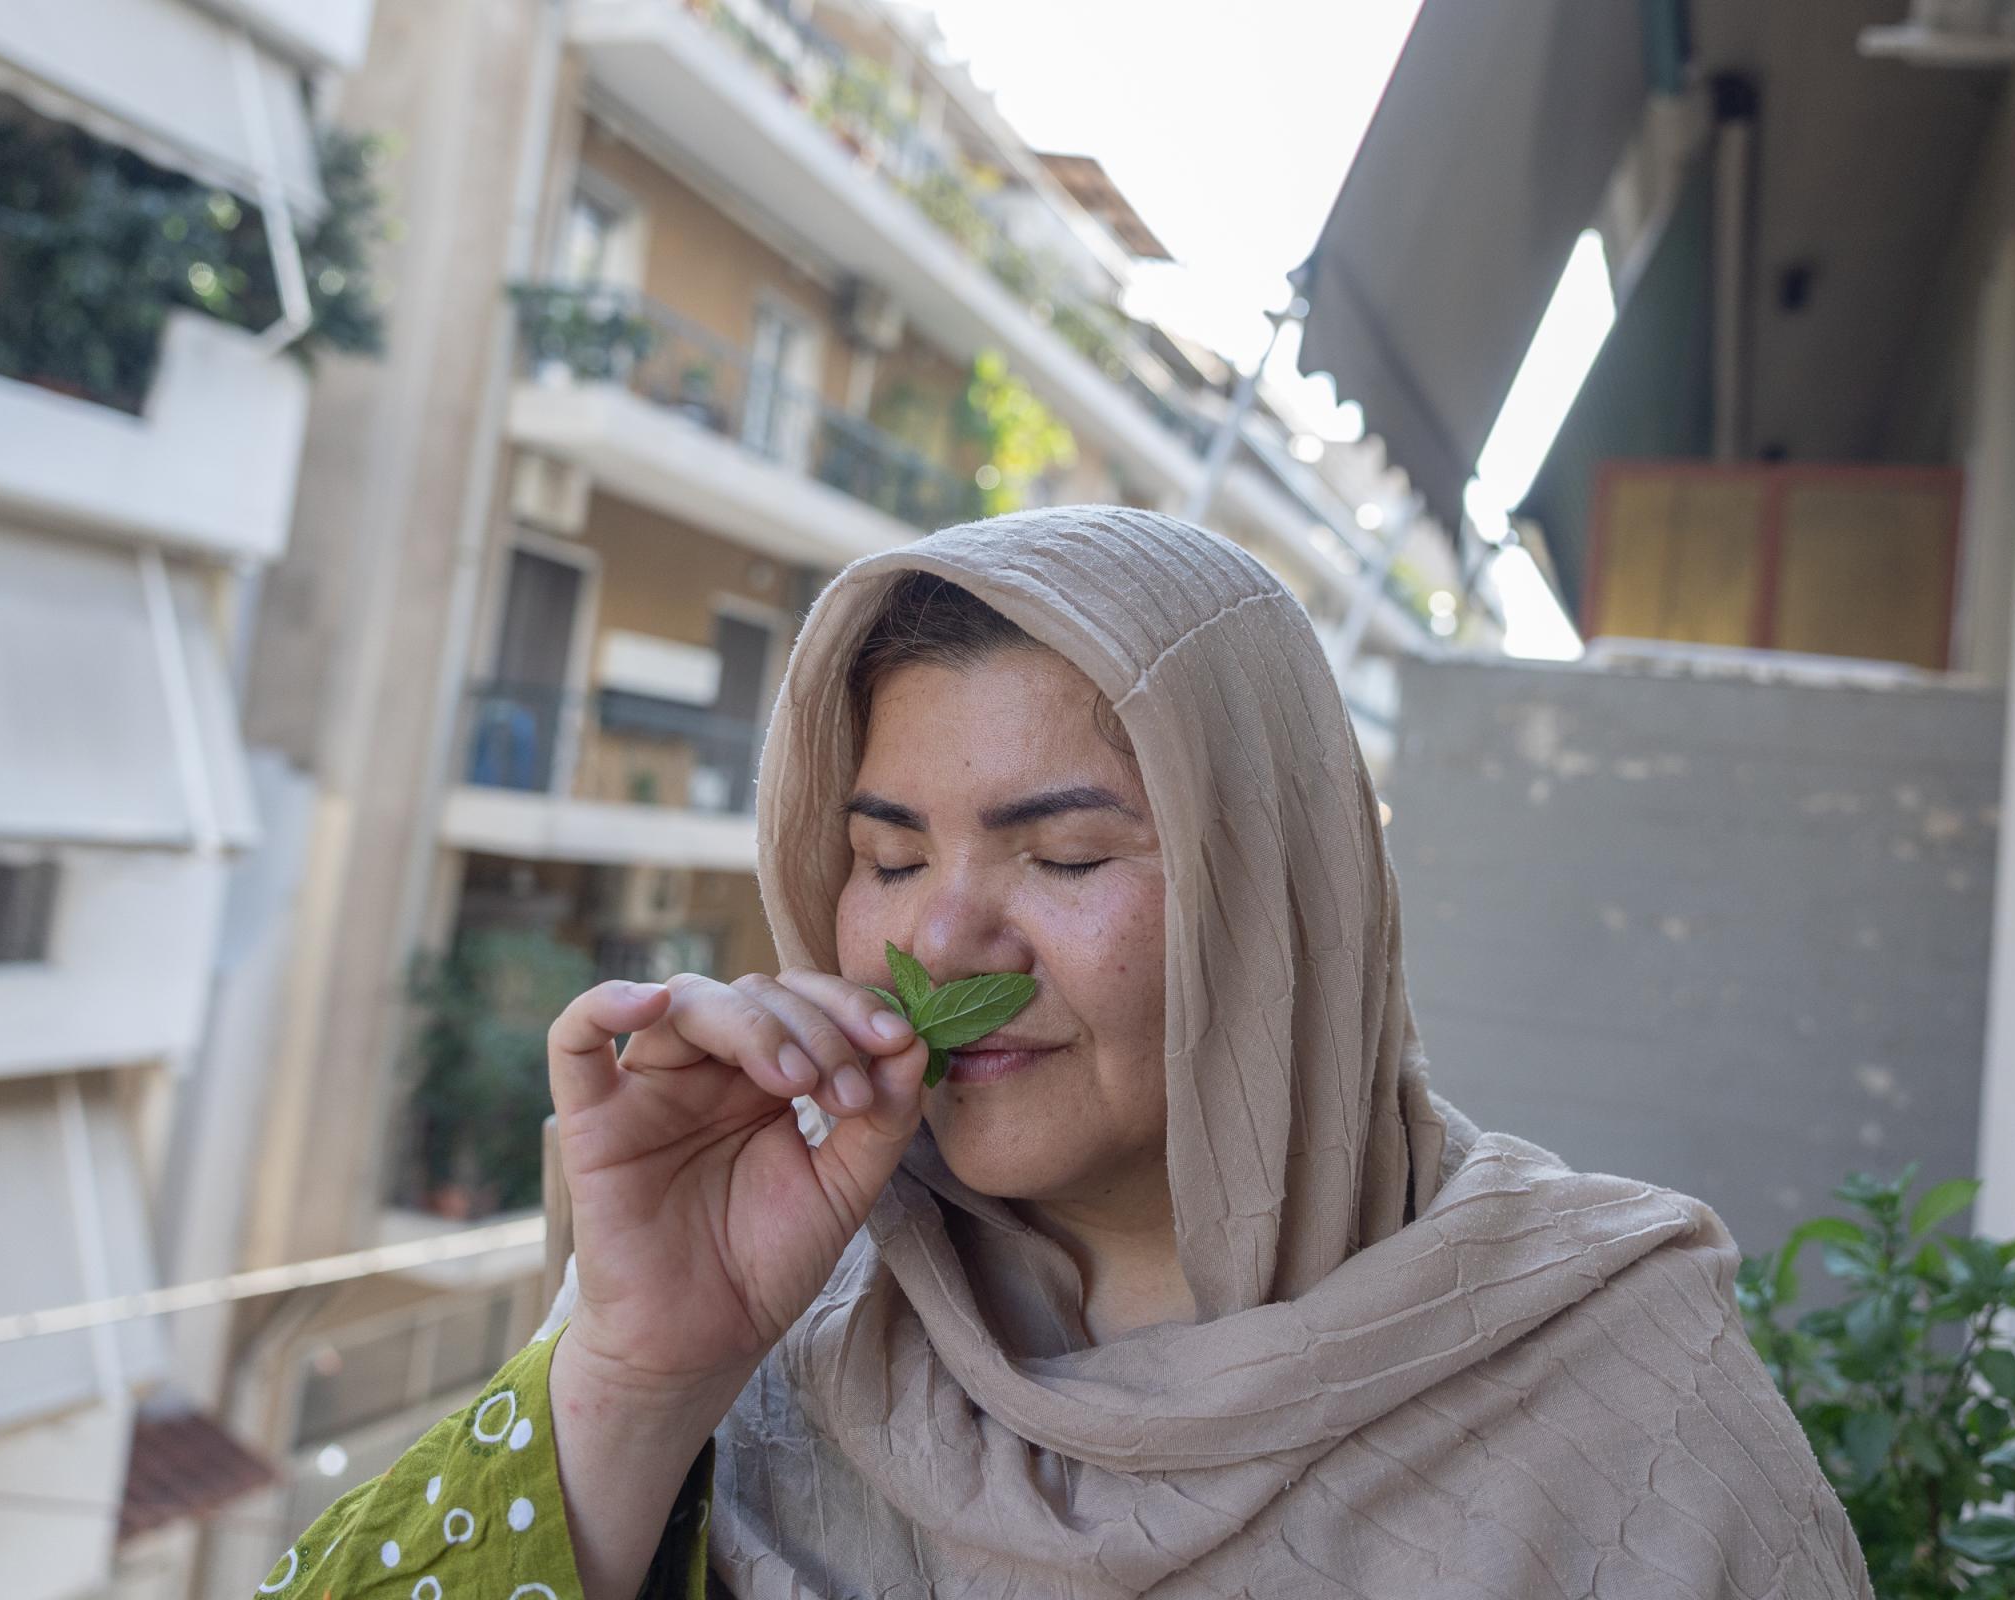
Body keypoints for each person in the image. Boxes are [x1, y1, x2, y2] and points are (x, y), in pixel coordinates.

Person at [265, 507, 1872, 1599]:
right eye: (888, 860)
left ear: (1276, 902)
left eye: (1066, 856)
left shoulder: (1622, 1409)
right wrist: (633, 1377)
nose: (939, 944)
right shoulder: (772, 1334)